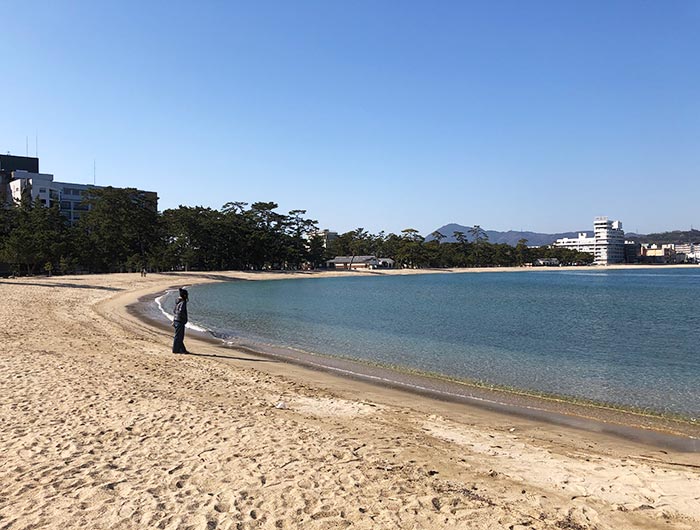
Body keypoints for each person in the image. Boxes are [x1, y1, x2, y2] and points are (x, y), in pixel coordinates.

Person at [172, 287, 189, 354]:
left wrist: (174, 320)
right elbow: (180, 311)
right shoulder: (183, 302)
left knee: (179, 336)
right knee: (179, 337)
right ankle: (175, 350)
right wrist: (184, 319)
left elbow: (174, 311)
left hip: (176, 320)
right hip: (179, 321)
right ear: (184, 295)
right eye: (187, 294)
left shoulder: (178, 301)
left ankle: (182, 349)